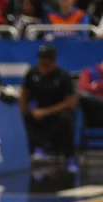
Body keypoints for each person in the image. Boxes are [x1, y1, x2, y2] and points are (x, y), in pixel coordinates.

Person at [20, 44, 78, 172]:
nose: (42, 66)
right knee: (25, 117)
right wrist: (25, 110)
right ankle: (37, 150)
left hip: (58, 111)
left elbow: (71, 102)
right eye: (41, 60)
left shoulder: (63, 76)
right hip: (39, 111)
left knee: (66, 118)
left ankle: (70, 158)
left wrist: (46, 111)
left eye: (46, 62)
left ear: (53, 61)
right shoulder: (32, 73)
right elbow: (24, 94)